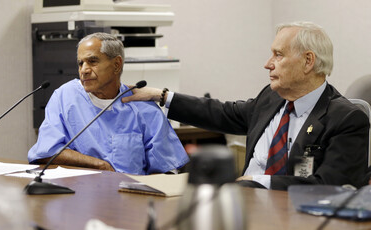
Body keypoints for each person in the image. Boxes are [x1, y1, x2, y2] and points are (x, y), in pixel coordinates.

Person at [122, 21, 369, 190]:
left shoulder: (346, 118)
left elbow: (333, 186)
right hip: (241, 202)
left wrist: (257, 182)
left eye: (278, 55)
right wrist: (162, 96)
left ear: (308, 61)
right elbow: (222, 113)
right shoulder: (271, 98)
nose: (268, 63)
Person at [28, 32, 189, 175]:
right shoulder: (65, 97)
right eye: (80, 63)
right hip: (77, 196)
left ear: (116, 65)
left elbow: (166, 171)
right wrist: (100, 165)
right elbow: (46, 151)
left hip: (130, 200)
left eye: (92, 61)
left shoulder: (144, 109)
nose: (84, 70)